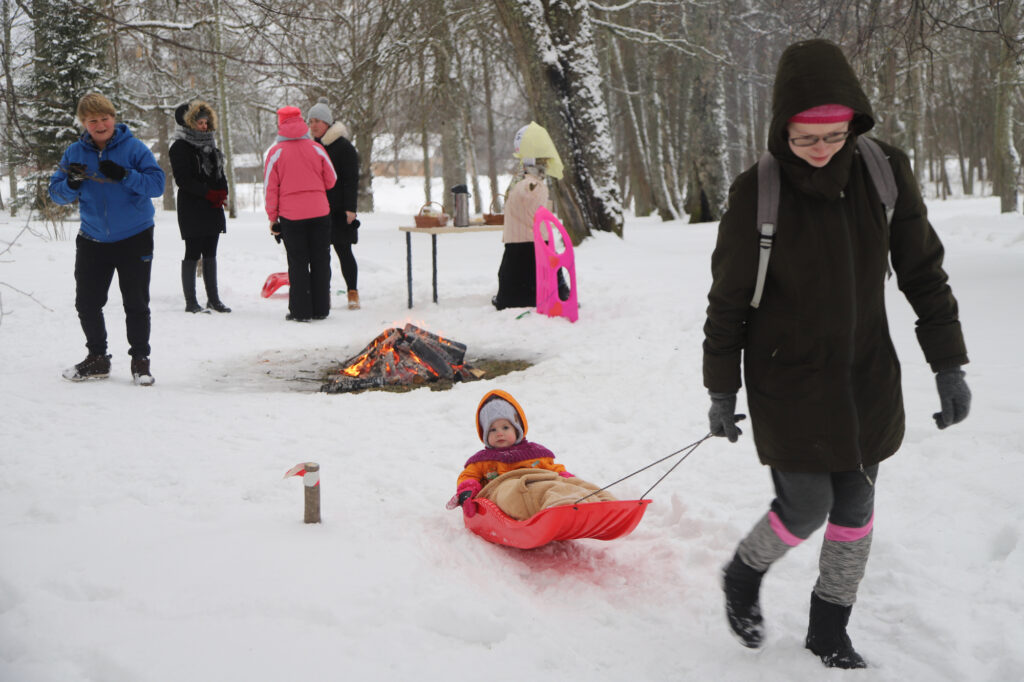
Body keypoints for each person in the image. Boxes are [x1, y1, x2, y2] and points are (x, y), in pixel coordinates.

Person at [702, 39, 971, 669]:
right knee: (807, 506)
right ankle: (743, 574)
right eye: (805, 139)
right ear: (782, 129)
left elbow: (923, 272)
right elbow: (728, 302)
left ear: (855, 122)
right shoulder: (757, 194)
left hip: (865, 372)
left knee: (855, 507)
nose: (822, 151)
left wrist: (948, 364)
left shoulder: (884, 171)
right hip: (786, 376)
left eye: (834, 135)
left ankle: (830, 626)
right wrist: (721, 390)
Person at [49, 92, 166, 386]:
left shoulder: (134, 148)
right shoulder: (74, 153)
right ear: (84, 123)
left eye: (105, 118)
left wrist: (126, 175)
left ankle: (140, 361)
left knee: (136, 303)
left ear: (113, 118)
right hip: (92, 238)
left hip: (134, 236)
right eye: (92, 120)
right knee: (87, 303)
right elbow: (57, 194)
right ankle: (97, 358)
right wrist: (71, 182)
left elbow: (156, 185)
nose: (100, 125)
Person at [446, 390, 615, 521]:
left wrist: (565, 476)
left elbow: (553, 469)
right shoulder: (482, 460)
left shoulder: (534, 453)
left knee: (566, 483)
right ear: (484, 434)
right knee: (526, 492)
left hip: (540, 480)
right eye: (493, 429)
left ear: (517, 429)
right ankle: (560, 511)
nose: (499, 433)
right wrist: (467, 490)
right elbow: (469, 476)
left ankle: (606, 503)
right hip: (504, 489)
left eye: (505, 427)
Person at [264, 105, 337, 322]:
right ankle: (321, 308)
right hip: (320, 213)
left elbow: (270, 187)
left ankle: (300, 310)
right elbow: (331, 179)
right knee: (321, 260)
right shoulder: (316, 148)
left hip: (292, 216)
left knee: (297, 262)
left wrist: (272, 217)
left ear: (280, 123)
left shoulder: (275, 153)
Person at [168, 99, 231, 314]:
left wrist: (223, 191)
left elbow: (219, 172)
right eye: (200, 122)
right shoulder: (179, 146)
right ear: (189, 123)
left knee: (211, 250)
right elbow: (183, 179)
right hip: (193, 207)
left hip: (212, 207)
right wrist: (208, 193)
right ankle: (191, 301)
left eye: (206, 122)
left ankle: (213, 299)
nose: (204, 126)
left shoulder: (211, 145)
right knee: (193, 251)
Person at [307, 97, 361, 310]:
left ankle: (352, 292)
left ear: (327, 123)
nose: (313, 126)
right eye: (310, 122)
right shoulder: (311, 146)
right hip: (317, 209)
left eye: (317, 121)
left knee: (344, 251)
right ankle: (323, 293)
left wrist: (350, 208)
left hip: (339, 210)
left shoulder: (343, 147)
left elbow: (351, 179)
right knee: (320, 255)